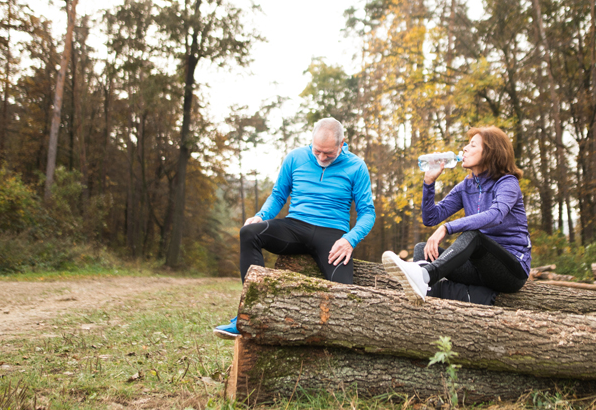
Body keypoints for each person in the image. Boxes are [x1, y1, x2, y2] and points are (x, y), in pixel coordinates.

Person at [213, 117, 376, 339]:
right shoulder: (296, 158)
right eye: (317, 150)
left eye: (328, 153)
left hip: (333, 235)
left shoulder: (356, 166)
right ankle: (247, 317)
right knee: (249, 233)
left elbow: (368, 213)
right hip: (294, 227)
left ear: (342, 144)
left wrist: (350, 239)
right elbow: (278, 195)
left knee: (345, 295)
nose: (321, 157)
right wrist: (261, 216)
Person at [382, 126, 531, 304]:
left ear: (491, 152)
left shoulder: (507, 183)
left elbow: (495, 215)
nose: (465, 149)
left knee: (473, 235)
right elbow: (431, 218)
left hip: (511, 271)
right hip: (478, 269)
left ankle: (425, 276)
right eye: (467, 145)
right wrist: (429, 183)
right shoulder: (466, 186)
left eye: (472, 145)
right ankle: (471, 296)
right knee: (423, 250)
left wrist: (447, 228)